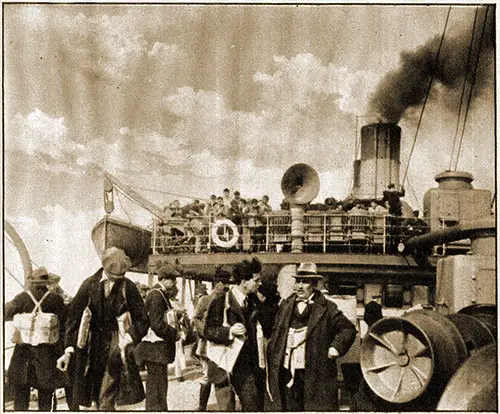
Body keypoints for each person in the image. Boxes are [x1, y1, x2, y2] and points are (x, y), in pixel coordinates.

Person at [57, 247, 149, 410]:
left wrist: (129, 338)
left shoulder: (128, 287)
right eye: (113, 277)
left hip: (116, 343)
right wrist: (68, 349)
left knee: (107, 395)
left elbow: (142, 319)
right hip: (91, 346)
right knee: (91, 396)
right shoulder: (88, 285)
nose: (116, 280)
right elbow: (73, 317)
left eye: (120, 277)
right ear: (104, 269)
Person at [267, 262, 357, 411]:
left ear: (314, 284)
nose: (300, 286)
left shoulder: (328, 308)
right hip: (288, 370)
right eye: (298, 281)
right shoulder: (285, 305)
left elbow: (348, 329)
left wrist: (336, 346)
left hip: (316, 372)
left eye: (305, 282)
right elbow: (276, 331)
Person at [205, 257, 264, 411]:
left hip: (246, 367)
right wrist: (229, 332)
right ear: (244, 281)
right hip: (224, 366)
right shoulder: (220, 303)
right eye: (256, 280)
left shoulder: (254, 302)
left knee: (253, 405)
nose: (259, 283)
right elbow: (208, 331)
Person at [5, 267, 67, 411]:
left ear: (32, 282)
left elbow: (5, 312)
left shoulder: (21, 298)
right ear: (47, 283)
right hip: (47, 357)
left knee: (20, 399)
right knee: (46, 398)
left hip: (23, 358)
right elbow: (65, 321)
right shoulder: (55, 299)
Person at [134, 264, 179, 411]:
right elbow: (157, 325)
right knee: (156, 389)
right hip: (155, 350)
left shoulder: (158, 293)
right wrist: (174, 333)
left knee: (159, 388)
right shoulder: (156, 295)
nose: (175, 283)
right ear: (164, 279)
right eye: (173, 280)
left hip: (157, 350)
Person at [193, 269, 231, 411]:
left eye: (227, 282)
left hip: (224, 341)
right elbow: (195, 318)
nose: (226, 286)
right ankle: (202, 407)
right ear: (217, 283)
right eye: (224, 282)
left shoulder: (229, 299)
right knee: (207, 375)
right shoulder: (206, 299)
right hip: (207, 343)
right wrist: (205, 333)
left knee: (223, 374)